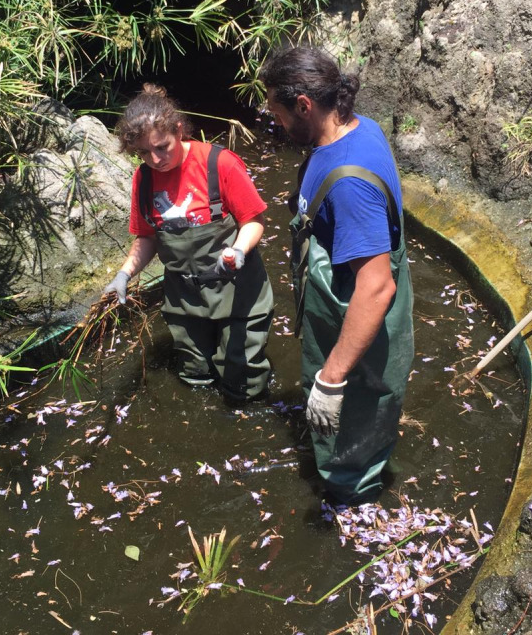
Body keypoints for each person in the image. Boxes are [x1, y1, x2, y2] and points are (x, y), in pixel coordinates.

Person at [260, 47, 414, 505]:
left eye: (279, 112)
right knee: (341, 410)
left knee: (356, 412)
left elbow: (377, 285)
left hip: (359, 304)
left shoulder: (350, 185)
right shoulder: (357, 128)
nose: (278, 124)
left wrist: (331, 378)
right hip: (334, 294)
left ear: (304, 105)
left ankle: (353, 495)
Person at [103, 84, 274, 402]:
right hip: (185, 297)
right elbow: (148, 238)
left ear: (178, 130)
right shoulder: (144, 180)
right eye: (143, 152)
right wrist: (125, 273)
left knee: (242, 380)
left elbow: (253, 221)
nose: (155, 159)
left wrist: (238, 250)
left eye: (162, 147)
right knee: (195, 377)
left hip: (237, 291)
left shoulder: (220, 164)